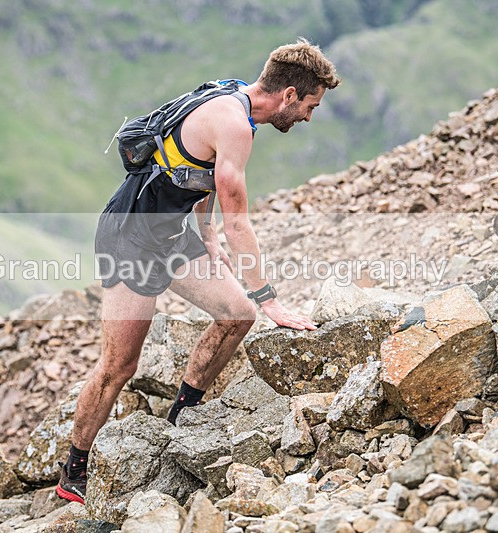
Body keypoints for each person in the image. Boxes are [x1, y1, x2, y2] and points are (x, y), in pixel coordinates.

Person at [56, 38, 340, 504]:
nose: (309, 117)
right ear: (289, 95)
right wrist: (270, 299)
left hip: (171, 236)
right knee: (119, 366)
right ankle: (74, 471)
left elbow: (201, 172)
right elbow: (240, 220)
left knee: (236, 314)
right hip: (130, 236)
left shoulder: (233, 94)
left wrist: (206, 238)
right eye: (310, 105)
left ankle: (180, 422)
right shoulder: (236, 125)